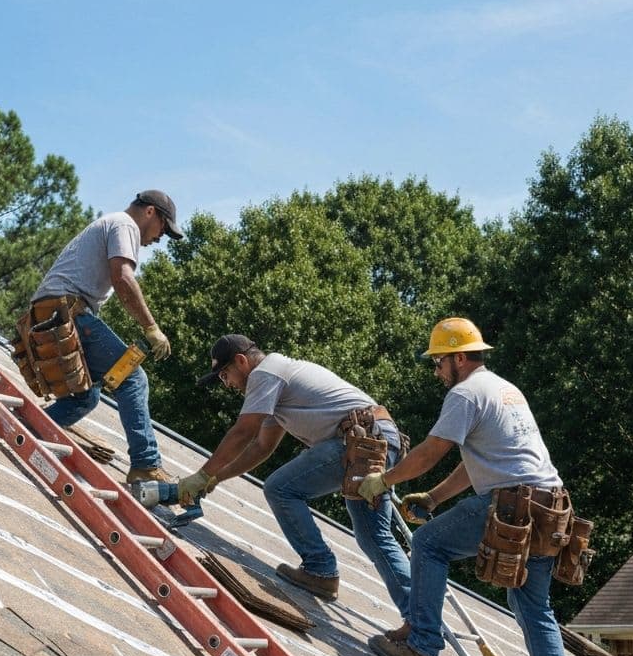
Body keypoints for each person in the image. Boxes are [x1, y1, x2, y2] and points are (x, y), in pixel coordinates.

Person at [357, 318, 574, 656]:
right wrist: (436, 499)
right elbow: (473, 461)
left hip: (513, 503)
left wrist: (384, 481)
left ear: (459, 358)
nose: (437, 371)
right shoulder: (505, 389)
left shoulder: (465, 393)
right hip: (552, 507)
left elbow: (431, 452)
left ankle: (421, 647)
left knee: (428, 543)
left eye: (439, 362)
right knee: (533, 604)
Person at [177, 335, 411, 619]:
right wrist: (216, 478)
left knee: (280, 489)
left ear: (241, 360)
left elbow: (243, 432)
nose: (227, 384)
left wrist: (201, 474)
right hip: (378, 441)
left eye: (225, 374)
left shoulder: (264, 374)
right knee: (375, 535)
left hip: (360, 441)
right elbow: (262, 446)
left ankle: (320, 568)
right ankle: (420, 628)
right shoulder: (277, 383)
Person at [29, 191, 183, 482]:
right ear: (150, 212)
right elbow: (123, 278)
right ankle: (145, 465)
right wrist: (152, 328)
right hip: (67, 312)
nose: (161, 236)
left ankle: (32, 427)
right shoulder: (125, 224)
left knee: (85, 398)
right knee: (133, 378)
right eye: (164, 227)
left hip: (52, 313)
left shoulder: (112, 224)